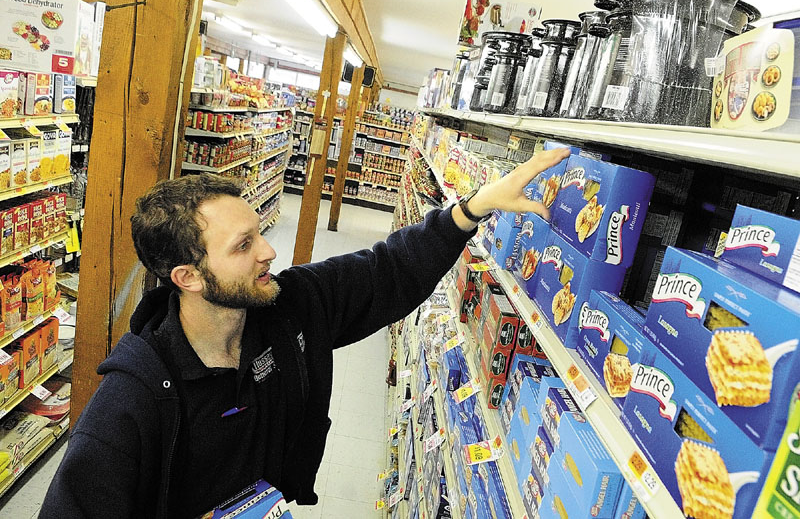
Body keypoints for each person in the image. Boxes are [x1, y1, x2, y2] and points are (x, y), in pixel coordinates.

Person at [40, 147, 569, 518]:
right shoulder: (127, 405)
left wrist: (471, 208)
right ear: (189, 278)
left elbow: (386, 271)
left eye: (259, 233)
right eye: (243, 246)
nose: (269, 251)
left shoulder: (288, 308)